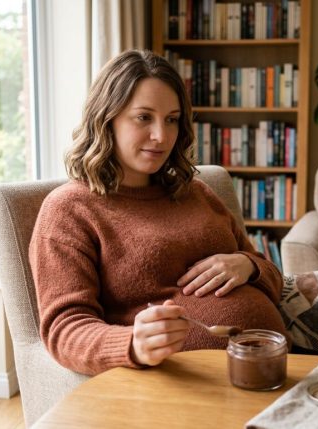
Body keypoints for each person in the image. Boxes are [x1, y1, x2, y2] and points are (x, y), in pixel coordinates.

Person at [29, 50, 286, 376]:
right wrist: (133, 344)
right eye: (143, 117)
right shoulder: (70, 210)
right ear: (107, 118)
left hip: (273, 365)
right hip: (185, 384)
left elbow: (274, 279)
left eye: (172, 119)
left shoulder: (196, 192)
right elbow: (64, 329)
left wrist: (248, 266)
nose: (161, 136)